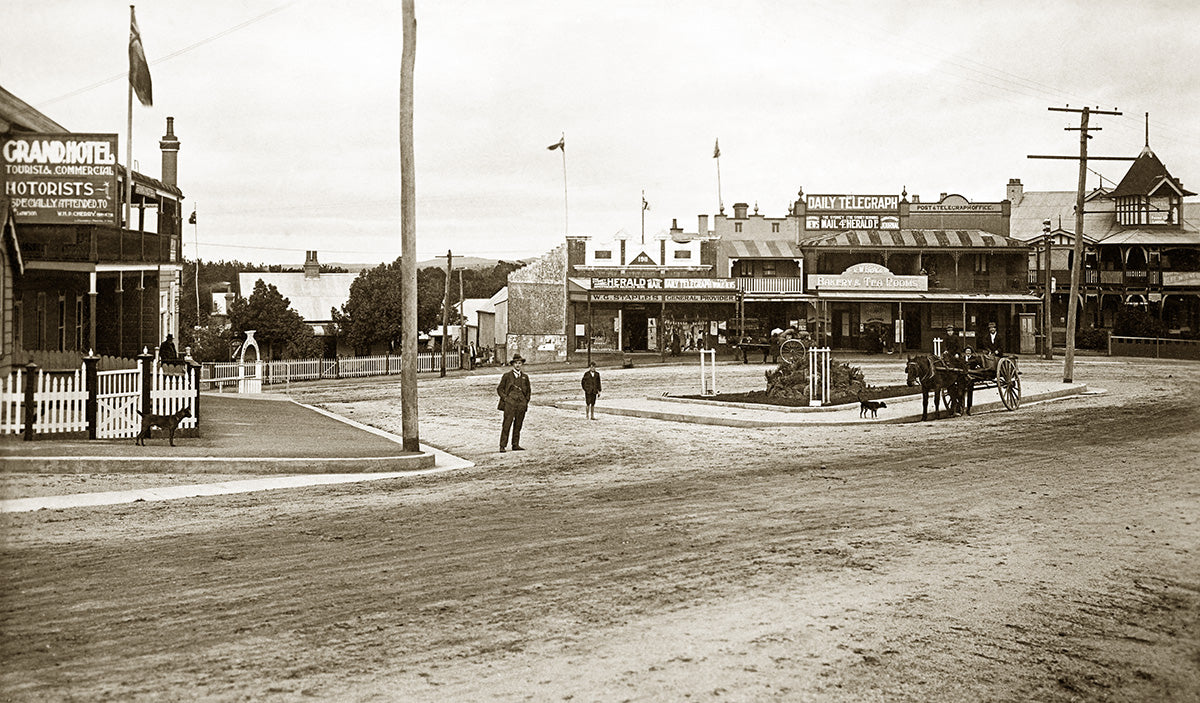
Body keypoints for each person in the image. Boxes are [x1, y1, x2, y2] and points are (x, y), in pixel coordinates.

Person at [497, 354, 531, 452]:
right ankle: (502, 445)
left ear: (522, 364)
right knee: (507, 424)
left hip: (521, 404)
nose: (518, 365)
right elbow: (500, 389)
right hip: (510, 404)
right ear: (513, 364)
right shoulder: (507, 376)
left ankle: (515, 444)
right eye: (516, 363)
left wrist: (525, 401)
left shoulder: (525, 377)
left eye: (519, 363)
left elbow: (528, 390)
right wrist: (506, 399)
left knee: (518, 424)